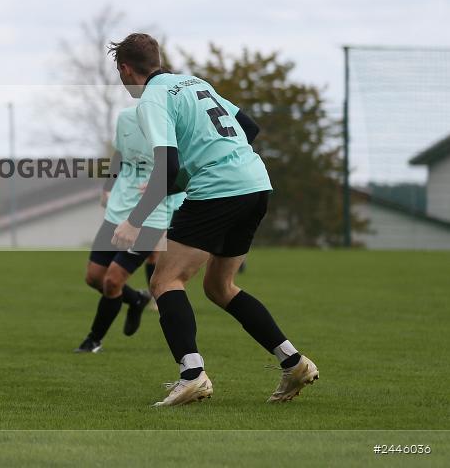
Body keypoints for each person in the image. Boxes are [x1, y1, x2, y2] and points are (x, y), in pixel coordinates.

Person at [109, 33, 318, 406]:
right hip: (255, 183)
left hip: (218, 190)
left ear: (125, 69)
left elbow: (168, 165)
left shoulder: (152, 98)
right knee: (220, 287)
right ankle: (293, 362)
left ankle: (192, 375)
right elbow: (249, 128)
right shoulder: (194, 83)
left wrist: (135, 220)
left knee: (165, 280)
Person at [75, 106, 185, 353]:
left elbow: (183, 167)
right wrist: (108, 187)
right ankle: (136, 299)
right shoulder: (125, 118)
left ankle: (93, 340)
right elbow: (119, 155)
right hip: (118, 211)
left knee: (113, 280)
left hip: (153, 215)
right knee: (94, 277)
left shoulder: (174, 123)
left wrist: (167, 191)